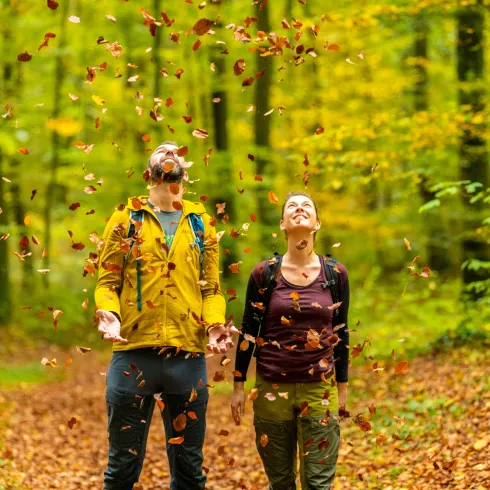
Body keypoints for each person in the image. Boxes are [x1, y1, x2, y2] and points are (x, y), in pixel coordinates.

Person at [95, 141, 237, 490]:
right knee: (121, 470)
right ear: (150, 169)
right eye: (162, 150)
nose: (170, 152)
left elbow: (211, 290)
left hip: (186, 356)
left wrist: (215, 323)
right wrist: (109, 312)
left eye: (176, 150)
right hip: (132, 353)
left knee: (190, 471)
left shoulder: (202, 223)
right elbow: (107, 281)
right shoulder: (125, 218)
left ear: (185, 168)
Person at [231, 191, 350, 490]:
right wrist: (237, 386)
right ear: (282, 224)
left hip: (320, 389)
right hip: (272, 389)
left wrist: (343, 389)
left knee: (318, 483)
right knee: (281, 481)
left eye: (306, 205)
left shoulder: (335, 273)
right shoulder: (264, 274)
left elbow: (342, 332)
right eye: (292, 207)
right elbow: (248, 332)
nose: (299, 209)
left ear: (317, 224)